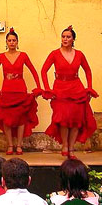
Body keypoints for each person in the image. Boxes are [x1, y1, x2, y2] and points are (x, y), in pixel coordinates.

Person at [41, 25, 98, 159]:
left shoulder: (79, 54)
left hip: (76, 88)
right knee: (63, 119)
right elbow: (44, 70)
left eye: (68, 37)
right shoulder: (54, 53)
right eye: (63, 37)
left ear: (73, 39)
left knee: (76, 120)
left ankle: (71, 149)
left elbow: (88, 70)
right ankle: (65, 145)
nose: (65, 39)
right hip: (60, 89)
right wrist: (47, 88)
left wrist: (89, 88)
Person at [0, 28, 42, 155]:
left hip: (20, 91)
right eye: (9, 40)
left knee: (21, 119)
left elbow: (34, 71)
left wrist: (39, 87)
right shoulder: (1, 56)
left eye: (14, 40)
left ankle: (19, 145)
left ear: (17, 42)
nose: (11, 42)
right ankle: (10, 145)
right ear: (6, 42)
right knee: (6, 119)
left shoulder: (23, 55)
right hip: (6, 91)